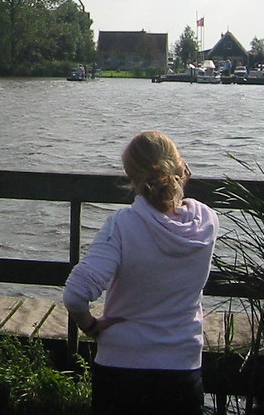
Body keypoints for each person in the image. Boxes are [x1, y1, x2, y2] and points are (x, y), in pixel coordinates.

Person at [62, 130, 219, 415]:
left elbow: (75, 295)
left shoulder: (123, 225)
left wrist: (90, 326)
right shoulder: (207, 222)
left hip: (122, 370)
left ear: (132, 179)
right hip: (181, 368)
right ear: (182, 169)